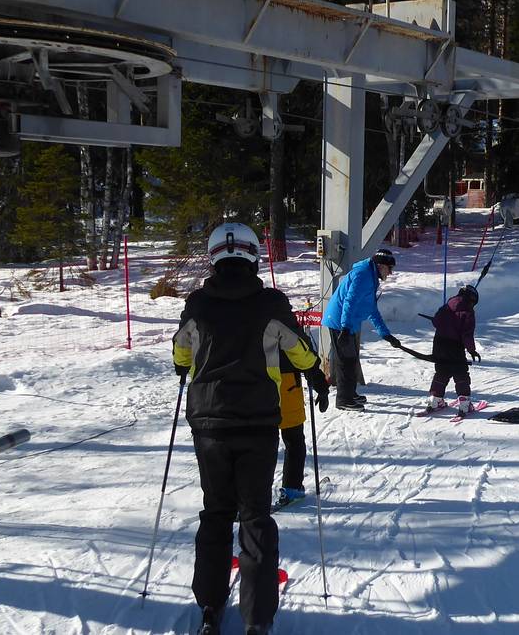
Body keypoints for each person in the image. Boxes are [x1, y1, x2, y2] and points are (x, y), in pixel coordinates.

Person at [172, 222, 330, 635]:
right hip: (258, 422)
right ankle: (257, 619)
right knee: (255, 516)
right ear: (253, 256)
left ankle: (210, 606)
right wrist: (315, 373)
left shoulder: (198, 303)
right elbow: (299, 349)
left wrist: (182, 367)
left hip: (209, 422)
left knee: (216, 511)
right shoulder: (270, 303)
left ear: (214, 258)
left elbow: (182, 349)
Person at [322, 248, 401, 411]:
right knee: (346, 361)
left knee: (351, 360)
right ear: (381, 266)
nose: (390, 273)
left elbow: (371, 309)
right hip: (339, 321)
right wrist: (344, 328)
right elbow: (349, 302)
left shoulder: (371, 277)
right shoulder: (363, 275)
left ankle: (350, 394)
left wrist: (386, 335)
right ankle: (344, 400)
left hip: (349, 322)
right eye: (390, 268)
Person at [426, 284, 481, 416]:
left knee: (441, 371)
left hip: (439, 344)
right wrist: (472, 350)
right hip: (455, 346)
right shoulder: (468, 312)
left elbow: (436, 321)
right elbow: (467, 334)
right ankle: (464, 403)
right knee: (460, 372)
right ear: (472, 300)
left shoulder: (448, 305)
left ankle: (435, 400)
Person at [275, 370, 308, 509]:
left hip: (255, 385)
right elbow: (302, 358)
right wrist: (314, 371)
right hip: (287, 384)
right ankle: (292, 488)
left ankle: (250, 495)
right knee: (294, 440)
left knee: (260, 443)